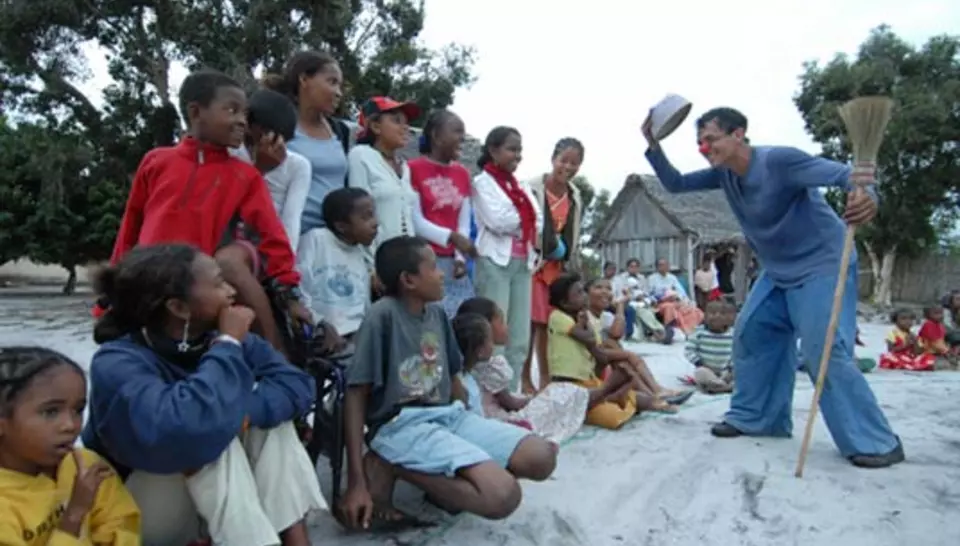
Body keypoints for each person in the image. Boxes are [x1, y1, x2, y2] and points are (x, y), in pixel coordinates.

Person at [642, 105, 903, 467]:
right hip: (777, 271)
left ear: (738, 134)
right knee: (752, 332)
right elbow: (675, 184)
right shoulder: (724, 174)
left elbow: (848, 175)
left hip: (822, 263)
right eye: (700, 142)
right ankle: (758, 418)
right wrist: (653, 144)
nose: (705, 148)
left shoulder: (780, 161)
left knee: (824, 348)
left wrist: (868, 197)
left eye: (711, 139)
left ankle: (875, 441)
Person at [83, 244, 324, 546]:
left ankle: (292, 538)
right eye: (219, 283)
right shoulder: (117, 361)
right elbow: (187, 425)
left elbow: (297, 384)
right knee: (209, 434)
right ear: (179, 308)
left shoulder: (223, 338)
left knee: (268, 426)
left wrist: (242, 414)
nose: (231, 291)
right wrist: (227, 346)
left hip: (203, 491)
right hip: (140, 507)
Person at [339, 236, 557, 530]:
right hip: (400, 425)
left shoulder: (437, 314)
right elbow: (355, 394)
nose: (441, 273)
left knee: (541, 457)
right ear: (408, 280)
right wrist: (355, 481)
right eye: (432, 267)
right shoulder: (381, 317)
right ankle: (388, 463)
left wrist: (475, 426)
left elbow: (453, 376)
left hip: (448, 416)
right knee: (503, 496)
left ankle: (442, 487)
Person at [103, 69, 310, 354]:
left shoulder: (244, 176)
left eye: (244, 113)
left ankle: (277, 360)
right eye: (232, 110)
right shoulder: (156, 161)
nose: (242, 120)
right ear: (195, 112)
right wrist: (112, 286)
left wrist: (289, 292)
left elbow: (272, 234)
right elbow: (131, 225)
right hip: (149, 281)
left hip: (195, 286)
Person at [0, 347, 140, 545]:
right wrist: (74, 516)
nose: (71, 425)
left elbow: (121, 524)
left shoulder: (85, 467)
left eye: (78, 410)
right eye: (50, 412)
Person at [547, 273, 676, 431]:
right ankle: (612, 395)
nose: (584, 296)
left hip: (589, 379)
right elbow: (588, 338)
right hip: (569, 384)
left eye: (583, 291)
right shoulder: (558, 317)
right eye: (579, 293)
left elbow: (598, 353)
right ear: (565, 303)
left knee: (635, 396)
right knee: (611, 416)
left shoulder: (585, 318)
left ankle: (647, 399)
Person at [454, 298, 590, 445]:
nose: (507, 327)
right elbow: (511, 403)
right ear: (485, 329)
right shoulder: (488, 368)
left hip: (487, 416)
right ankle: (601, 392)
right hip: (499, 420)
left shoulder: (465, 366)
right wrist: (533, 400)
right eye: (502, 321)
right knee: (561, 392)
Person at [472, 127, 542, 392]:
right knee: (494, 334)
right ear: (493, 150)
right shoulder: (482, 183)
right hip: (494, 263)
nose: (518, 156)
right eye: (512, 149)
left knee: (519, 336)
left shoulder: (520, 186)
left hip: (523, 263)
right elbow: (497, 221)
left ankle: (511, 392)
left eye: (520, 150)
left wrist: (523, 217)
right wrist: (525, 217)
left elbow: (539, 219)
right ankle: (491, 396)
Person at [264, 51, 351, 234]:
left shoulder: (340, 131)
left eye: (340, 86)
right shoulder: (277, 127)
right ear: (304, 79)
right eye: (332, 82)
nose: (338, 93)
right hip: (291, 236)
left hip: (333, 240)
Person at [524, 138, 586, 393]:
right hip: (534, 263)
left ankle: (547, 377)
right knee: (533, 323)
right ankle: (526, 379)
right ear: (553, 159)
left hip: (557, 267)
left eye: (575, 163)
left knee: (550, 323)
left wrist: (570, 259)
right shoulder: (532, 189)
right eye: (564, 160)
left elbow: (573, 232)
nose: (568, 167)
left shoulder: (574, 196)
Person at [408, 109, 477, 317]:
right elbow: (415, 220)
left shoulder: (462, 173)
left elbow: (463, 220)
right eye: (456, 132)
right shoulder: (412, 169)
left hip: (452, 262)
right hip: (424, 259)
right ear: (437, 136)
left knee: (463, 319)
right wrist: (451, 237)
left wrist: (460, 257)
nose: (462, 138)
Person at [584, 278, 692, 405]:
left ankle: (654, 393)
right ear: (586, 294)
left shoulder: (605, 316)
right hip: (588, 365)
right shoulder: (584, 315)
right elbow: (602, 344)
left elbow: (616, 334)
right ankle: (655, 393)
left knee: (615, 348)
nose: (605, 292)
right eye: (598, 287)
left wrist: (620, 306)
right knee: (620, 352)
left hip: (602, 361)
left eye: (608, 289)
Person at [231, 88, 312, 251]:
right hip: (232, 241)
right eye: (267, 133)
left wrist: (286, 257)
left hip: (270, 243)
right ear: (249, 126)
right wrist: (260, 170)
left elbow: (291, 220)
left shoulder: (298, 165)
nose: (274, 141)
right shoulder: (231, 154)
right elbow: (230, 208)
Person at [297, 188, 378, 346]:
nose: (376, 223)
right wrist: (317, 324)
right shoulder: (317, 239)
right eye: (366, 217)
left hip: (358, 335)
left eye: (373, 215)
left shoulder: (361, 251)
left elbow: (364, 303)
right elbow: (300, 284)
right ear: (341, 226)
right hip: (323, 333)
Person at [347, 96, 422, 256]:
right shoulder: (361, 156)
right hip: (376, 257)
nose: (405, 127)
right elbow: (359, 216)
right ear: (375, 126)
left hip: (405, 258)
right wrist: (371, 262)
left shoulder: (404, 167)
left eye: (406, 122)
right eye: (397, 121)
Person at [685, 301, 736, 394]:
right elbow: (689, 350)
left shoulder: (733, 334)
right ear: (705, 316)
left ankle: (718, 386)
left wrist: (731, 368)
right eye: (712, 313)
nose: (717, 316)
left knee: (740, 371)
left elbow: (736, 353)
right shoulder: (699, 332)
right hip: (706, 369)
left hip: (725, 371)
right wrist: (699, 363)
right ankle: (722, 386)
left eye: (722, 314)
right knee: (700, 372)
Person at [611, 258, 667, 342]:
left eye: (636, 267)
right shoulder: (619, 278)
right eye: (631, 266)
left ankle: (649, 334)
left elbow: (646, 292)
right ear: (627, 268)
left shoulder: (642, 278)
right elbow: (619, 293)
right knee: (642, 311)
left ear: (638, 268)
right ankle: (659, 330)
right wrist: (633, 297)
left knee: (646, 311)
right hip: (626, 302)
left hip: (640, 302)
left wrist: (644, 298)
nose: (634, 268)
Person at [648, 258, 704, 336]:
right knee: (669, 307)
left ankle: (690, 330)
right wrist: (662, 298)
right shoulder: (652, 278)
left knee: (693, 310)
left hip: (675, 301)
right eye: (661, 265)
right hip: (661, 303)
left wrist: (681, 299)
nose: (664, 267)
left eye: (665, 265)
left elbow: (681, 291)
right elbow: (649, 294)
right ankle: (669, 330)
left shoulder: (672, 277)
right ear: (657, 267)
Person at [917, 305, 958, 370]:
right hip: (927, 352)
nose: (940, 316)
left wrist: (949, 351)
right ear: (927, 315)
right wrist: (947, 351)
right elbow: (934, 343)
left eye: (941, 313)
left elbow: (941, 341)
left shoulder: (940, 325)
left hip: (938, 351)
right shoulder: (928, 325)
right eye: (936, 313)